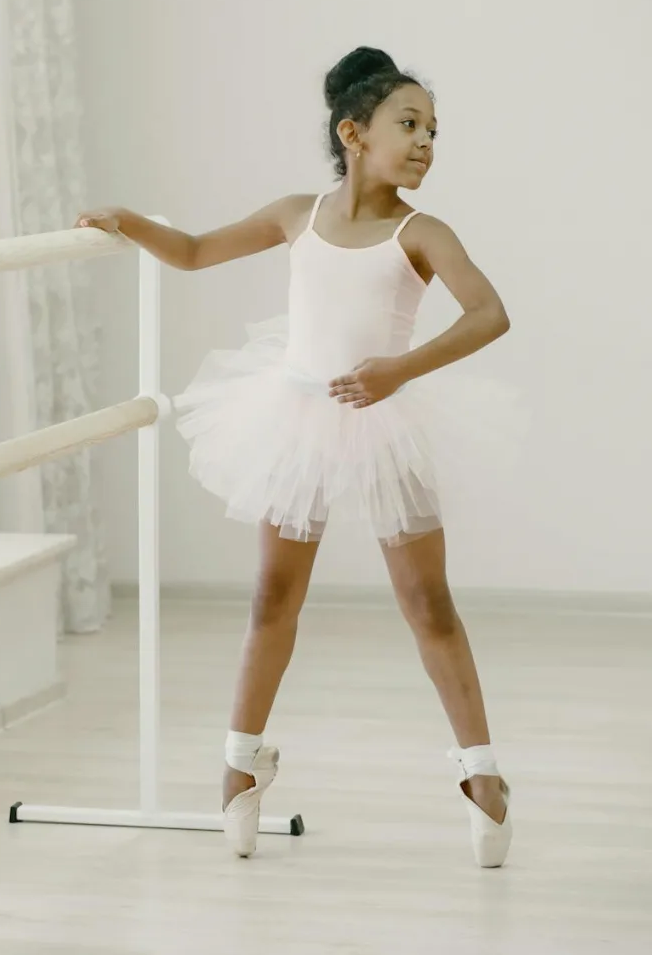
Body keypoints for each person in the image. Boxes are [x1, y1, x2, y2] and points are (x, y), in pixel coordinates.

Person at [75, 46, 521, 867]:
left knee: (428, 604)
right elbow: (198, 251)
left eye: (433, 130)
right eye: (409, 124)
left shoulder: (422, 232)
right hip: (294, 418)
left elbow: (489, 314)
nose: (426, 142)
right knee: (272, 598)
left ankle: (483, 776)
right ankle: (240, 765)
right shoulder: (295, 215)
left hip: (385, 420)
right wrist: (129, 222)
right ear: (353, 132)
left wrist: (400, 370)